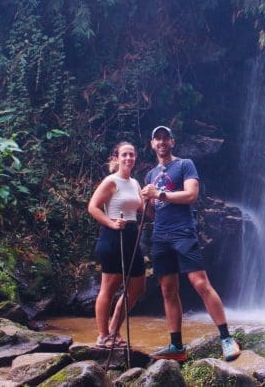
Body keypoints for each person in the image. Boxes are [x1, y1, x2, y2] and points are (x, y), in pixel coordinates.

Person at [141, 125, 241, 362]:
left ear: (172, 142)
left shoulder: (185, 164)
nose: (162, 142)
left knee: (200, 283)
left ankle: (227, 338)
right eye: (157, 139)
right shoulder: (150, 175)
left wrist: (159, 195)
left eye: (166, 138)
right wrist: (146, 202)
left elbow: (191, 195)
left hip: (183, 231)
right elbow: (154, 211)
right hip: (160, 235)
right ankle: (176, 346)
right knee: (167, 290)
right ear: (152, 144)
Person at [88, 141, 146, 348]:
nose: (129, 158)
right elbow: (93, 207)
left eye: (132, 154)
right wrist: (111, 223)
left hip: (131, 236)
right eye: (124, 154)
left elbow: (143, 210)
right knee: (109, 288)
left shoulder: (135, 183)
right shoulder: (111, 181)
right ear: (116, 158)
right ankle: (103, 336)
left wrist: (152, 197)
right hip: (113, 236)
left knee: (137, 287)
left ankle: (114, 329)